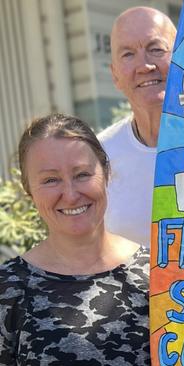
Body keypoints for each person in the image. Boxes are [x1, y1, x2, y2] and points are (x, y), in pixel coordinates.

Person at [0, 113, 150, 365]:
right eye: (50, 180)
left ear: (106, 173)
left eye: (82, 174)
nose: (70, 195)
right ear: (29, 192)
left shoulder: (157, 274)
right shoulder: (7, 289)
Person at [98, 6, 177, 247]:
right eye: (128, 54)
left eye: (156, 49)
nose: (144, 66)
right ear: (115, 76)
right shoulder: (98, 156)